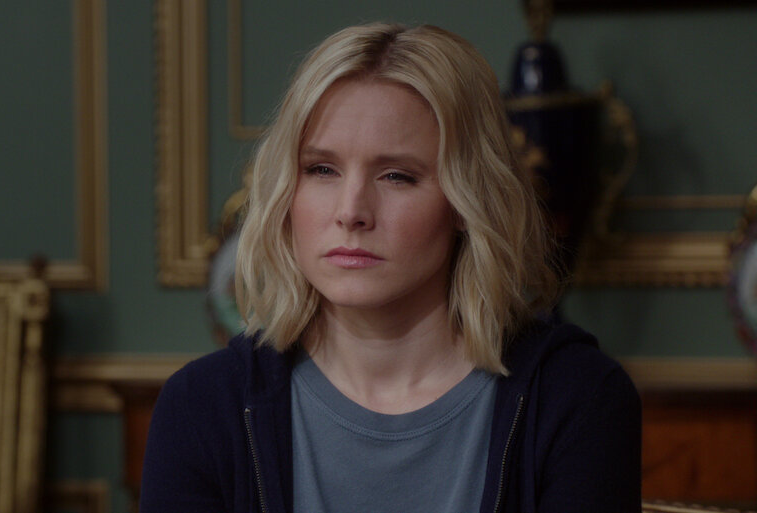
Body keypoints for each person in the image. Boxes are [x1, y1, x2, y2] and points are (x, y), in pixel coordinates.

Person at [140, 23, 640, 513]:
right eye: (321, 169)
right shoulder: (201, 406)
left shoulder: (577, 396)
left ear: (466, 200)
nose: (351, 211)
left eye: (397, 176)